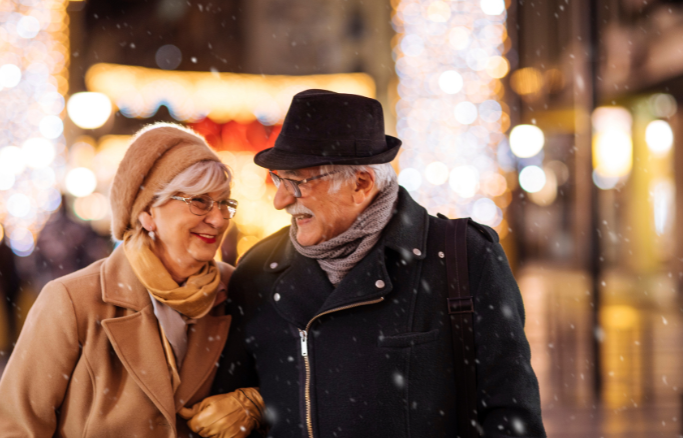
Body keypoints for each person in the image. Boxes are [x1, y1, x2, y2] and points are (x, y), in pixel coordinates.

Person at [197, 90, 546, 437]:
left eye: (297, 183)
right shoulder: (258, 271)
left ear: (361, 184)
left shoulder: (463, 258)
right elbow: (236, 405)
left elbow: (511, 414)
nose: (280, 200)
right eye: (278, 179)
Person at [0, 123, 264, 438]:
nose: (218, 219)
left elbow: (299, 381)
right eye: (199, 201)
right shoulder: (72, 300)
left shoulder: (237, 290)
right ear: (147, 212)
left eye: (224, 203)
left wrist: (257, 403)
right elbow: (14, 427)